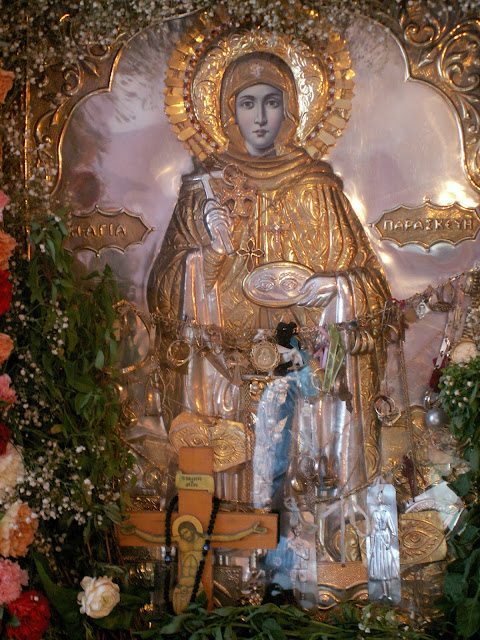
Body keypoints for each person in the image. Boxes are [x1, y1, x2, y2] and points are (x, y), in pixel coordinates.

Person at [148, 51, 389, 521]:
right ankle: (225, 541)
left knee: (302, 507)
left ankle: (316, 538)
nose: (260, 117)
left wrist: (333, 287)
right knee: (229, 499)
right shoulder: (204, 189)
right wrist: (208, 258)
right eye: (248, 103)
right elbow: (164, 290)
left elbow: (371, 285)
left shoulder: (318, 186)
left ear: (290, 110)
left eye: (272, 102)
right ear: (229, 113)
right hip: (226, 376)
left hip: (304, 374)